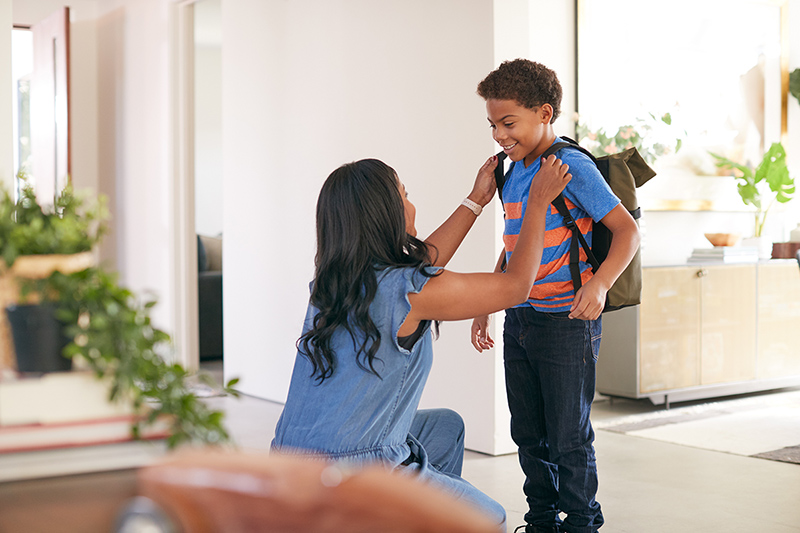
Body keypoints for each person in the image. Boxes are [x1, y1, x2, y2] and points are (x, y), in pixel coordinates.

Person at [271, 155, 572, 532]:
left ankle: (410, 518)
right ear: (387, 213)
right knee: (489, 518)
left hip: (287, 465)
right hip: (354, 474)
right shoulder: (410, 293)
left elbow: (422, 266)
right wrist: (538, 203)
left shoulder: (332, 283)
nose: (412, 204)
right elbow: (515, 286)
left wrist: (476, 199)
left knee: (445, 427)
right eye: (405, 194)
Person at [471, 60, 641, 533]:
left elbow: (626, 232)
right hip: (521, 317)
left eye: (509, 123)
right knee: (528, 432)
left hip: (567, 319)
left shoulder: (571, 166)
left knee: (568, 435)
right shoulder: (510, 171)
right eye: (492, 124)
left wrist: (600, 283)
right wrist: (489, 302)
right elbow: (514, 244)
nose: (499, 135)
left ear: (544, 112)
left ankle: (582, 522)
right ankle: (543, 519)